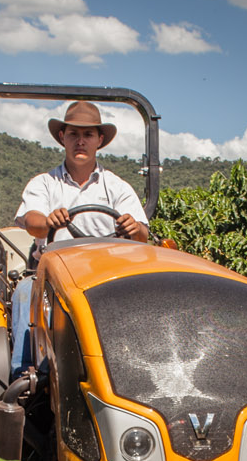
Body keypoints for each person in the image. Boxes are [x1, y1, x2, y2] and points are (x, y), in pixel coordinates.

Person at [9, 102, 150, 378]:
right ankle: (25, 378)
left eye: (88, 135)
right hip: (53, 278)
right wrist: (48, 221)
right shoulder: (45, 183)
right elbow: (31, 221)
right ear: (63, 138)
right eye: (74, 134)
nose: (80, 141)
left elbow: (142, 234)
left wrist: (133, 227)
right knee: (26, 291)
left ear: (99, 140)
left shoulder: (117, 187)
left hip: (106, 277)